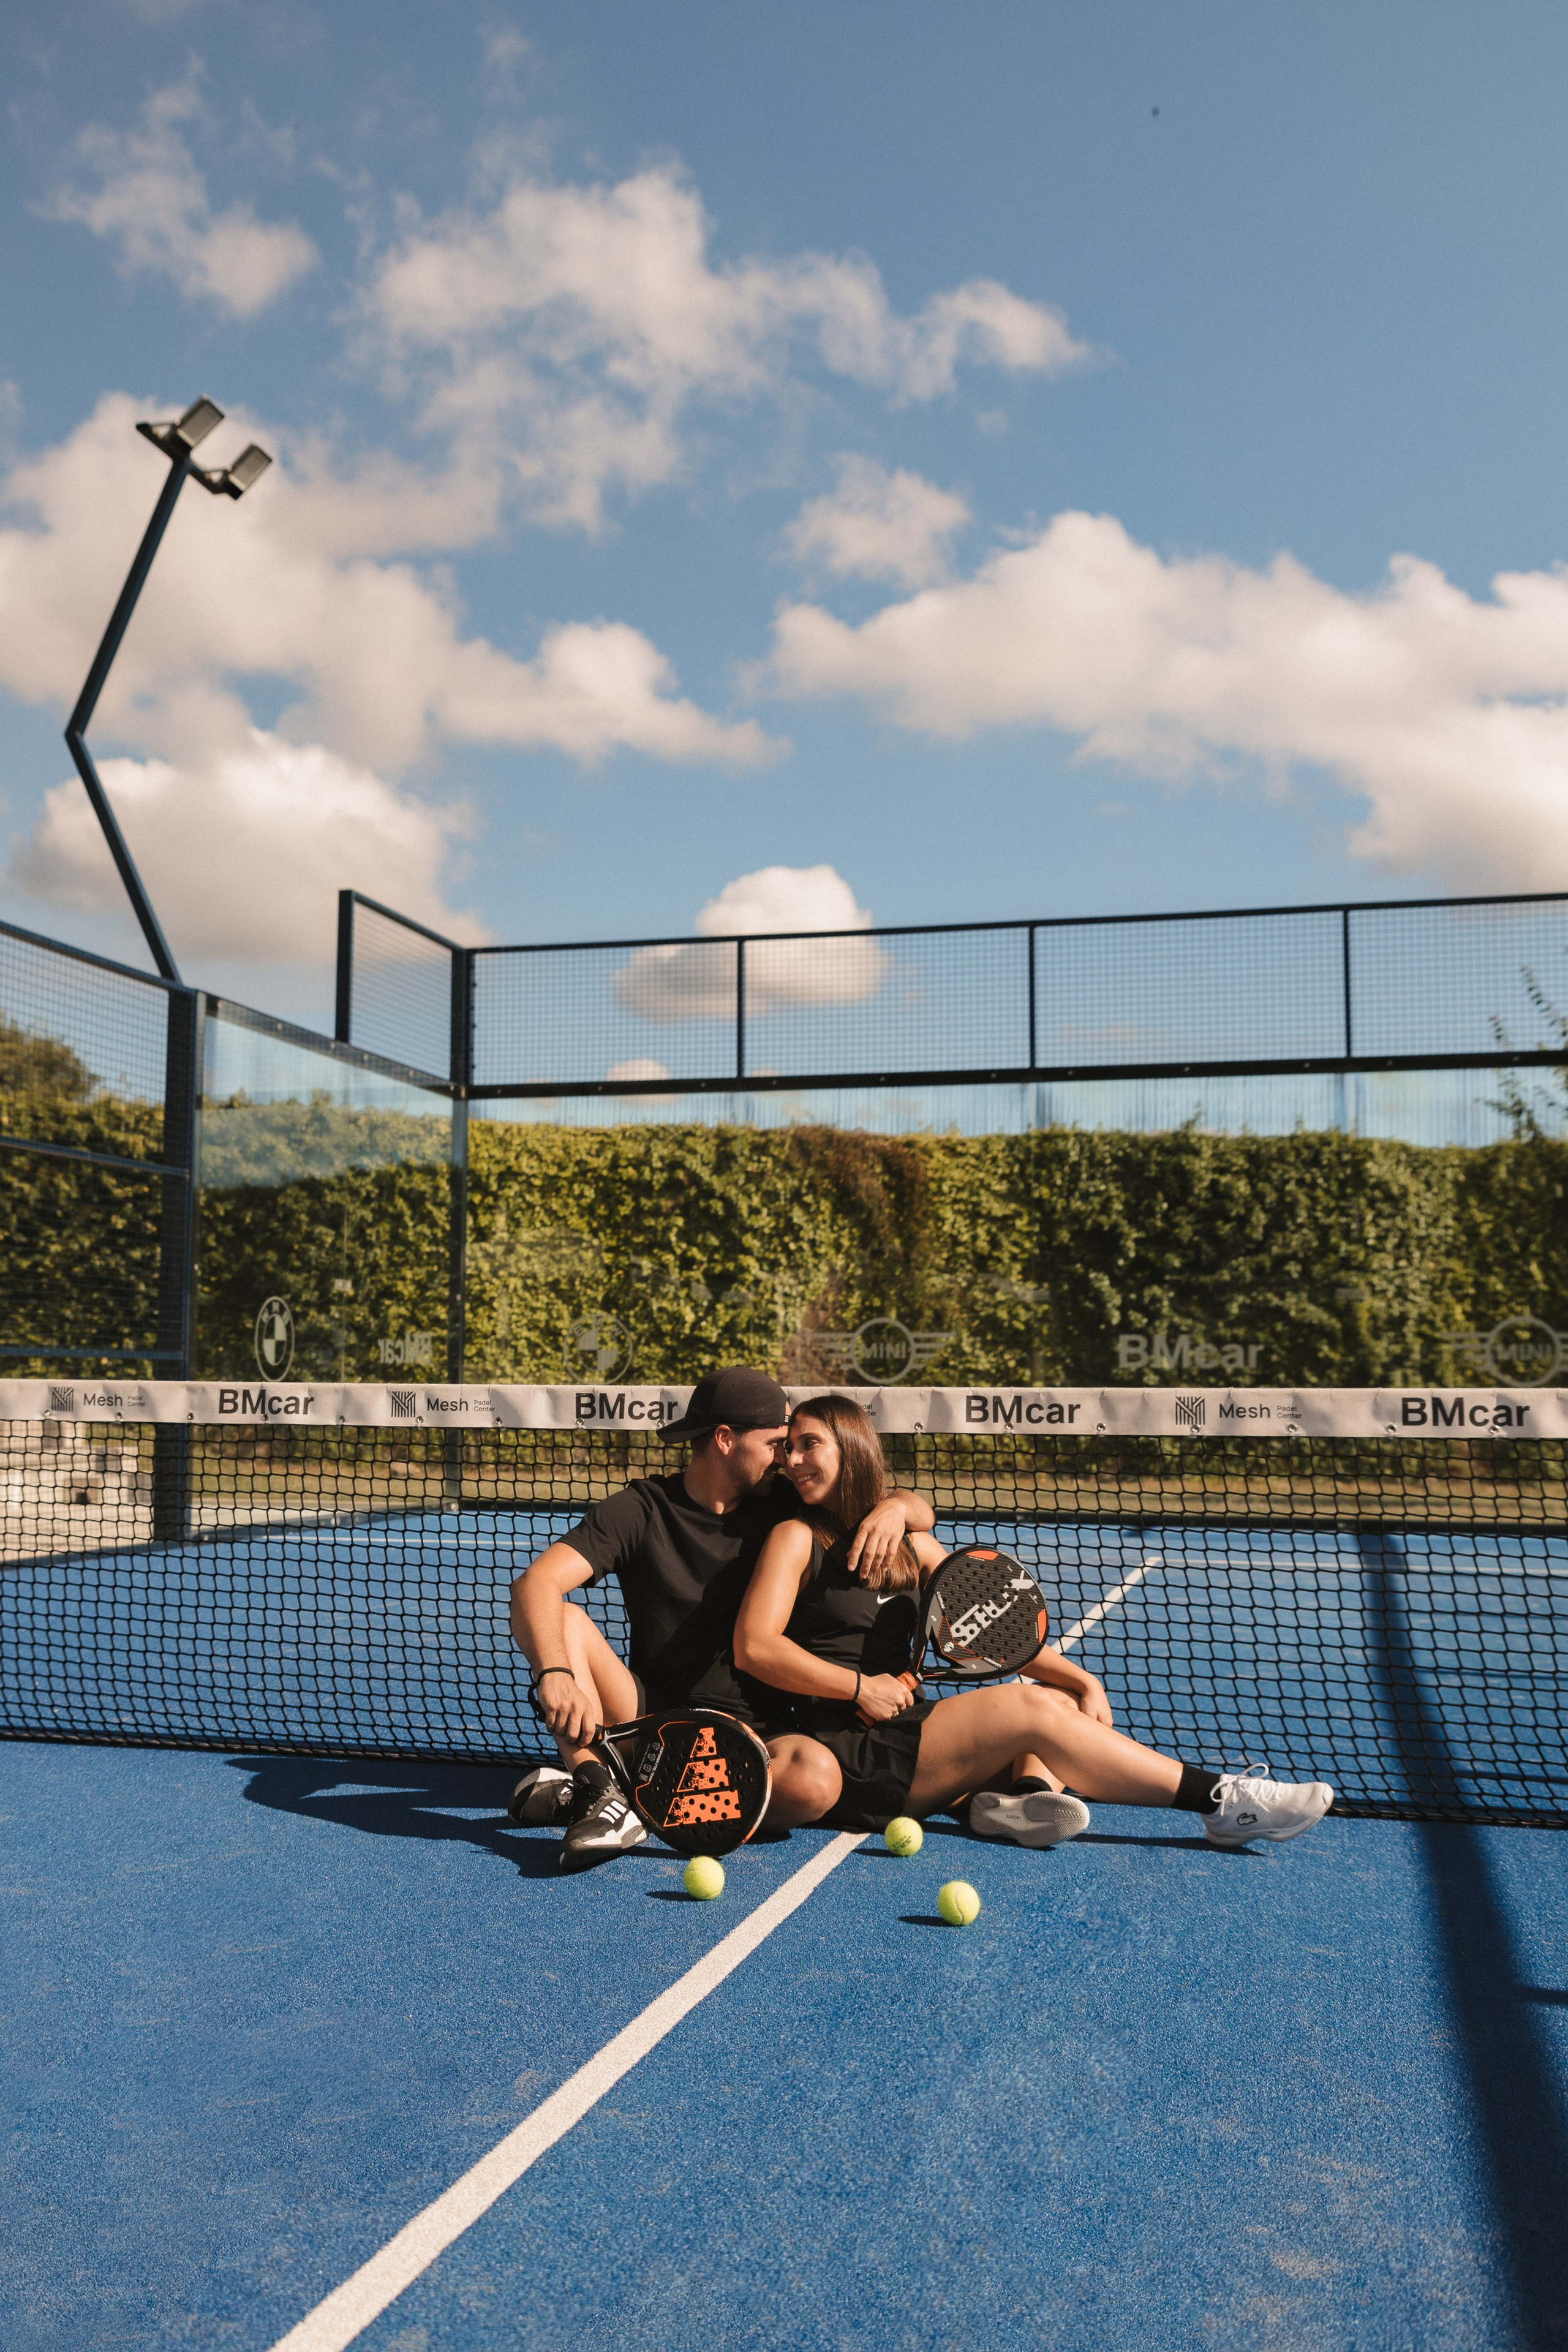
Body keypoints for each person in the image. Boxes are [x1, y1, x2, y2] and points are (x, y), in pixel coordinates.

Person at [733, 1393, 1336, 1850]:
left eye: (808, 1443)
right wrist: (860, 1687)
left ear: (852, 1448)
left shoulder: (913, 1548)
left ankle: (1014, 1802)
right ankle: (1222, 1800)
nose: (792, 1458)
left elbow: (982, 1635)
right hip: (848, 1750)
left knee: (1055, 1698)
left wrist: (1081, 1681)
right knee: (1031, 1712)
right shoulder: (794, 1538)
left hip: (908, 1735)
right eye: (788, 1448)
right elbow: (755, 1648)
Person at [508, 1366, 935, 1872]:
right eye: (778, 1443)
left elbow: (891, 1500)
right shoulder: (642, 1510)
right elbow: (535, 1584)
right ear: (726, 1439)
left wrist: (899, 1507)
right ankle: (597, 1790)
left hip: (761, 1732)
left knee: (817, 1780)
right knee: (565, 1620)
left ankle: (637, 1798)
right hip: (650, 1717)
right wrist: (554, 1674)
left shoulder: (785, 1504)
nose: (789, 1458)